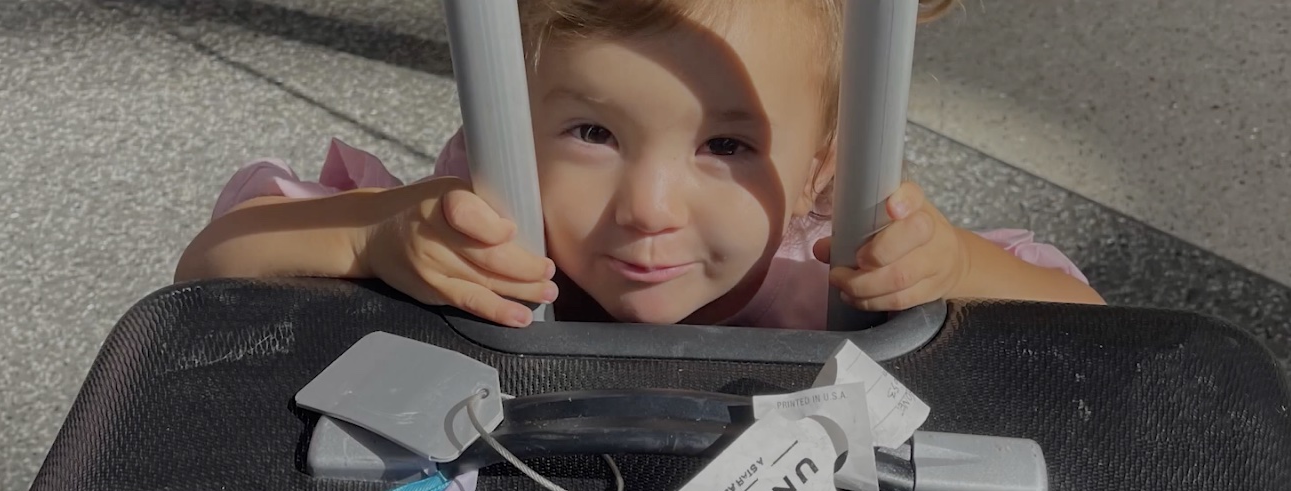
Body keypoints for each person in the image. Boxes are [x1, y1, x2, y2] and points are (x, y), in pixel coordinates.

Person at [176, 0, 1103, 330]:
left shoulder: (821, 265)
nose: (648, 207)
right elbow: (210, 270)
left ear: (825, 169)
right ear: (516, 117)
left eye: (726, 147)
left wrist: (953, 268)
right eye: (591, 134)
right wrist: (374, 232)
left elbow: (1091, 330)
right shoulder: (476, 223)